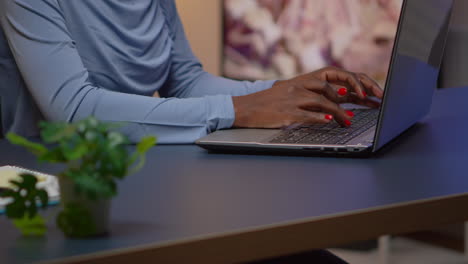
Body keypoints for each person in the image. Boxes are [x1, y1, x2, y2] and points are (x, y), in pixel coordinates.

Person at [0, 1, 385, 263]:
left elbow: (185, 82)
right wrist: (236, 110)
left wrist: (293, 92)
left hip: (139, 183)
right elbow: (73, 108)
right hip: (55, 202)